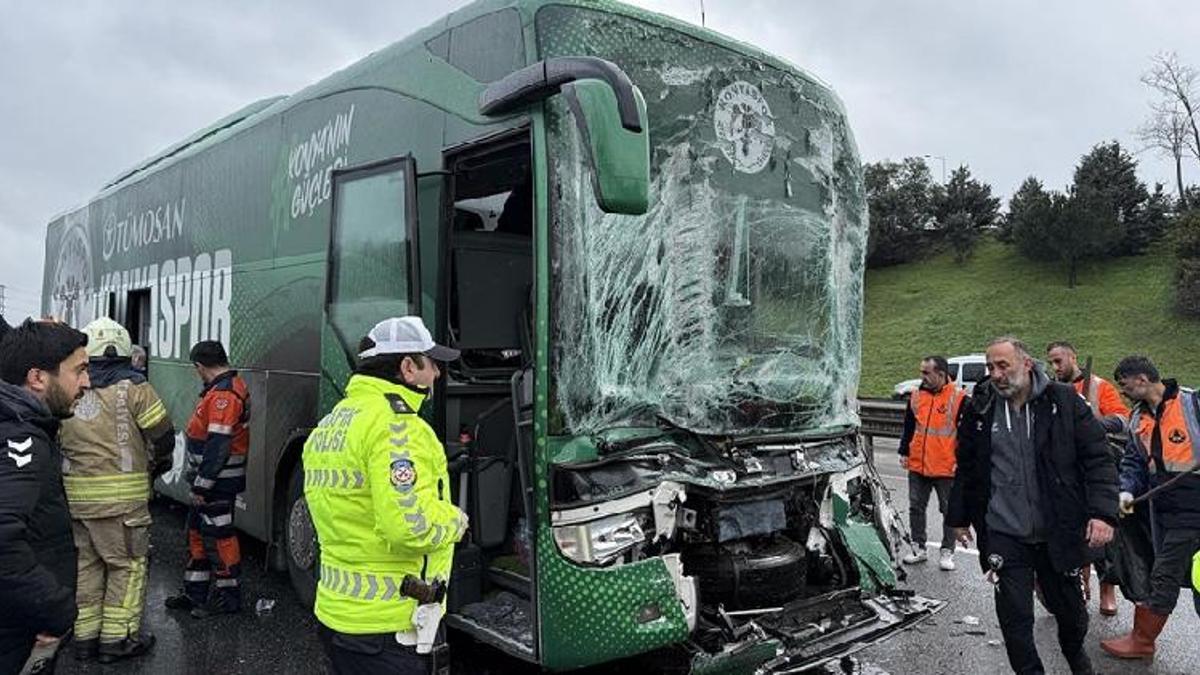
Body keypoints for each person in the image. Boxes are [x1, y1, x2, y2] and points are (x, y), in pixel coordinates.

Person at [304, 316, 468, 674]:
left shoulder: (332, 423)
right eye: (433, 364)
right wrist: (455, 521)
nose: (438, 375)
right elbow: (409, 527)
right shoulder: (400, 429)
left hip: (336, 615)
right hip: (388, 629)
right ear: (408, 367)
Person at [948, 336, 1116, 675]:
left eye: (1003, 365)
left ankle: (1075, 656)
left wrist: (1102, 514)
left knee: (1071, 615)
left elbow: (1098, 459)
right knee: (1015, 620)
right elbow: (967, 466)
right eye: (990, 367)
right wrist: (959, 516)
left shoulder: (1064, 401)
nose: (995, 374)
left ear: (1026, 364)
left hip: (1057, 529)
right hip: (1004, 532)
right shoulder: (979, 407)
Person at [58, 318, 175, 662]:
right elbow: (163, 434)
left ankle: (85, 638)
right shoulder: (135, 388)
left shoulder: (70, 387)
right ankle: (118, 640)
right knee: (128, 566)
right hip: (123, 505)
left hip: (79, 501)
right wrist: (158, 462)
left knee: (88, 566)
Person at [0, 319, 90, 674]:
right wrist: (56, 610)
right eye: (79, 371)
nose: (87, 382)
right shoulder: (21, 441)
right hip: (17, 633)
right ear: (37, 378)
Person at [1100, 355, 1200, 659]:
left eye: (1125, 384)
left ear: (1142, 380)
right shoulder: (1137, 419)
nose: (1123, 392)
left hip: (1193, 508)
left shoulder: (1192, 404)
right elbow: (1133, 461)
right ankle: (1142, 640)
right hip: (1162, 510)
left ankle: (1143, 640)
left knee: (1165, 576)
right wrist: (1126, 491)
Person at [164, 340, 249, 619]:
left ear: (200, 367)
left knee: (219, 538)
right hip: (210, 480)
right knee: (197, 534)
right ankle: (195, 594)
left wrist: (203, 484)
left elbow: (219, 444)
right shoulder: (222, 390)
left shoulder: (224, 394)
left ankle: (228, 599)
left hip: (217, 483)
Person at [1045, 340, 1130, 617]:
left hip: (1098, 467)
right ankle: (1079, 587)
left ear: (1073, 357)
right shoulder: (1049, 391)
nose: (1055, 367)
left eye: (1059, 361)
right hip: (1066, 473)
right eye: (1051, 362)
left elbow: (1122, 418)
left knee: (1107, 535)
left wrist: (1092, 425)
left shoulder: (1098, 386)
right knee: (1071, 531)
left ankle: (1108, 589)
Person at [898, 355, 966, 571]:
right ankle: (918, 548)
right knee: (915, 507)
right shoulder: (917, 396)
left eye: (926, 373)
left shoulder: (959, 398)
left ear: (941, 374)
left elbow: (966, 436)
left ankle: (947, 551)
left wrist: (962, 462)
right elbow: (909, 427)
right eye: (922, 372)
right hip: (918, 464)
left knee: (949, 511)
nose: (922, 377)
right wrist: (904, 451)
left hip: (946, 466)